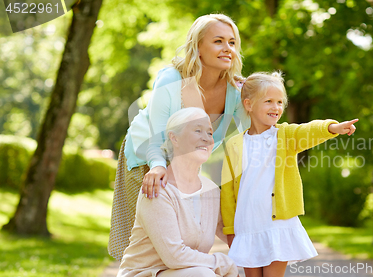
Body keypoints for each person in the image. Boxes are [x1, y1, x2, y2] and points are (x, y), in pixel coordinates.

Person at [109, 13, 250, 260]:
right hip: (147, 158)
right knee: (146, 246)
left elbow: (250, 134)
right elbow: (156, 136)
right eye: (218, 41)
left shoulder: (235, 92)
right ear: (197, 46)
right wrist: (156, 167)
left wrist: (255, 94)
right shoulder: (171, 79)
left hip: (184, 165)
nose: (227, 48)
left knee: (180, 239)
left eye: (232, 42)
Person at [220, 72, 358, 277]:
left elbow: (308, 130)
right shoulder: (233, 144)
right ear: (248, 105)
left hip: (277, 225)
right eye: (268, 101)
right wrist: (230, 229)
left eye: (279, 102)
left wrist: (333, 127)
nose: (276, 107)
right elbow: (227, 191)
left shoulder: (285, 136)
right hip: (247, 226)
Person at [118, 107, 238, 277]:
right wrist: (223, 263)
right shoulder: (157, 189)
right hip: (145, 273)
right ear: (174, 138)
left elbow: (231, 233)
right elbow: (175, 257)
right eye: (197, 130)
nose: (206, 138)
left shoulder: (211, 190)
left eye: (210, 133)